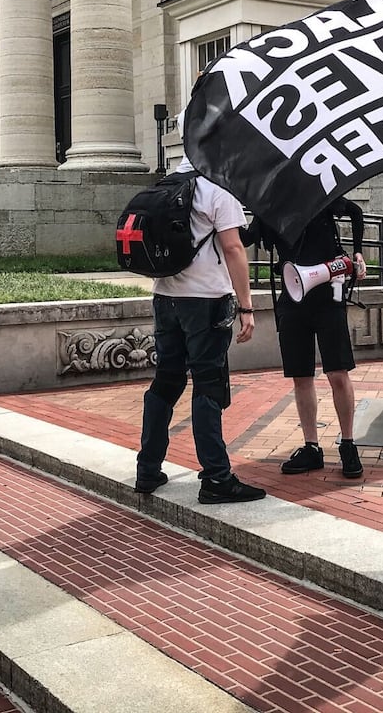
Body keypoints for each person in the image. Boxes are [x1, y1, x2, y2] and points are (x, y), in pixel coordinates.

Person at [135, 156, 265, 504]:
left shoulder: (167, 183)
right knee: (209, 383)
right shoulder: (217, 188)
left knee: (166, 379)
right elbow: (234, 247)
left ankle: (147, 469)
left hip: (165, 298)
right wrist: (247, 306)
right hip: (206, 300)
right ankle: (217, 478)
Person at [242, 199, 368, 479]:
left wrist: (357, 254)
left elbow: (355, 212)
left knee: (337, 372)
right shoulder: (271, 205)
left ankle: (348, 444)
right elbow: (246, 237)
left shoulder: (318, 195)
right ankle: (311, 447)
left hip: (327, 295)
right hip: (292, 295)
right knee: (301, 375)